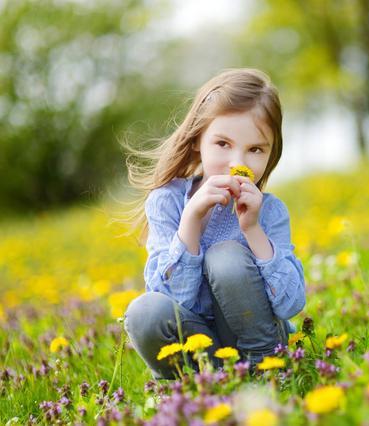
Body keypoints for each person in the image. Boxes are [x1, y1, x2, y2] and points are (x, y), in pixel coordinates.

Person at [122, 68, 306, 379]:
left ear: (271, 153)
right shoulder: (166, 202)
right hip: (199, 348)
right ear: (197, 140)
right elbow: (171, 301)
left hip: (258, 343)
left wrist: (253, 230)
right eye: (223, 143)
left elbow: (291, 304)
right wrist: (191, 220)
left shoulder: (270, 211)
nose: (239, 163)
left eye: (255, 149)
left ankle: (265, 371)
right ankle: (203, 383)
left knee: (225, 256)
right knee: (144, 311)